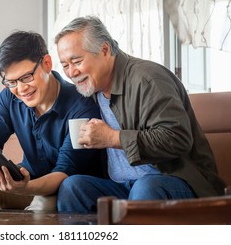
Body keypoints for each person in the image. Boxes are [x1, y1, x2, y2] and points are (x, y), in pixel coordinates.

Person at [54, 15, 226, 213]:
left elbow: (177, 138)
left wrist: (112, 137)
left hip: (177, 183)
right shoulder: (91, 89)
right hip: (124, 187)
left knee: (145, 187)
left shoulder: (148, 78)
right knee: (72, 188)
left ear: (104, 50)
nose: (71, 72)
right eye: (65, 65)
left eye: (76, 61)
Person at [0, 30, 104, 211]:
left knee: (43, 204)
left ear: (47, 64)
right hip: (27, 180)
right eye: (11, 82)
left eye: (26, 77)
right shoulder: (9, 98)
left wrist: (24, 188)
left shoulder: (82, 106)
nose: (21, 89)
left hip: (62, 187)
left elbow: (65, 172)